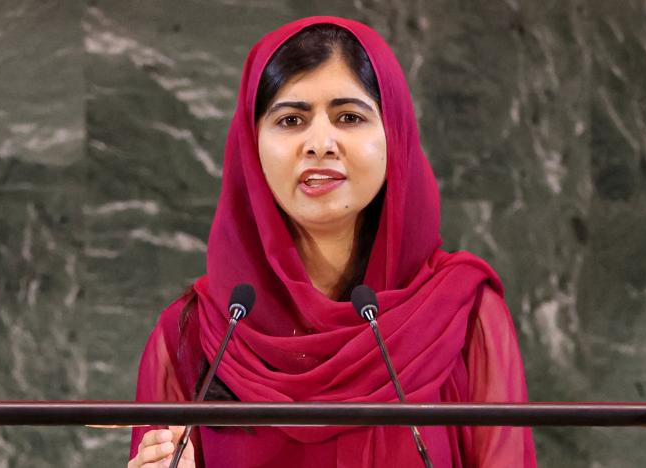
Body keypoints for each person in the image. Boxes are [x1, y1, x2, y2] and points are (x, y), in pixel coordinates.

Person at [128, 16, 537, 468]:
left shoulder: (463, 315)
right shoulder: (194, 334)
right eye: (290, 119)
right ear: (251, 144)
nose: (320, 143)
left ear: (394, 135)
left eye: (349, 117)